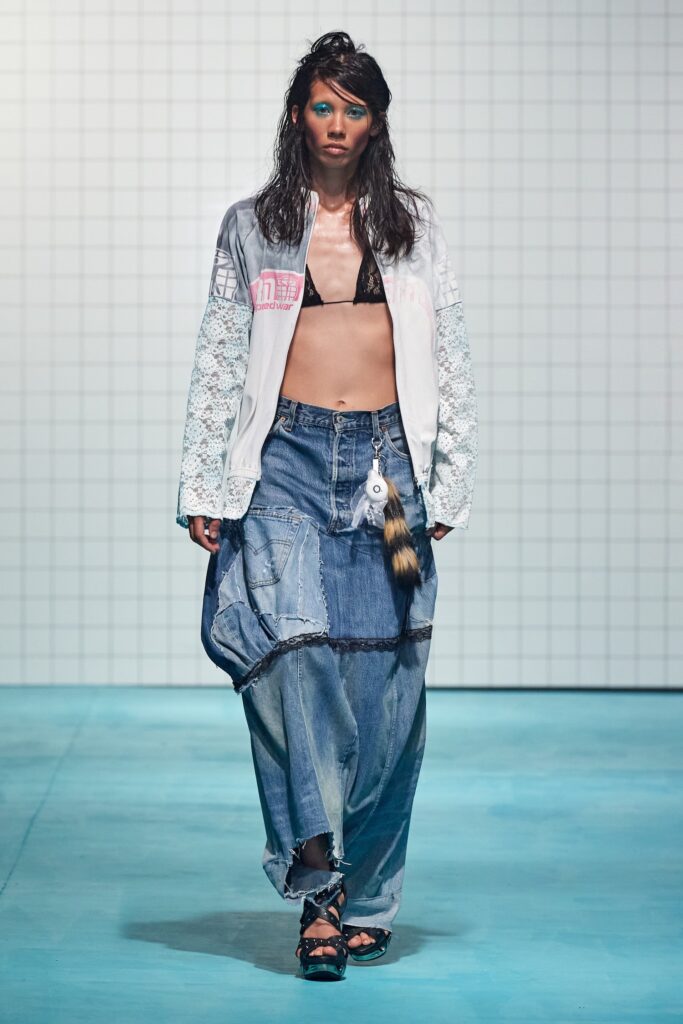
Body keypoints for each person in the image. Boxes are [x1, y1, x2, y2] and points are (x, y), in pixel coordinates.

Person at [175, 30, 478, 981]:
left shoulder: (413, 228)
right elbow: (222, 352)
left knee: (394, 684)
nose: (336, 124)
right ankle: (319, 894)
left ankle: (371, 896)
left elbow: (451, 354)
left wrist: (449, 478)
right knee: (292, 657)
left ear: (375, 122)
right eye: (321, 106)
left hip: (390, 482)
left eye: (353, 108)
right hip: (286, 473)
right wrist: (204, 482)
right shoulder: (253, 226)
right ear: (297, 116)